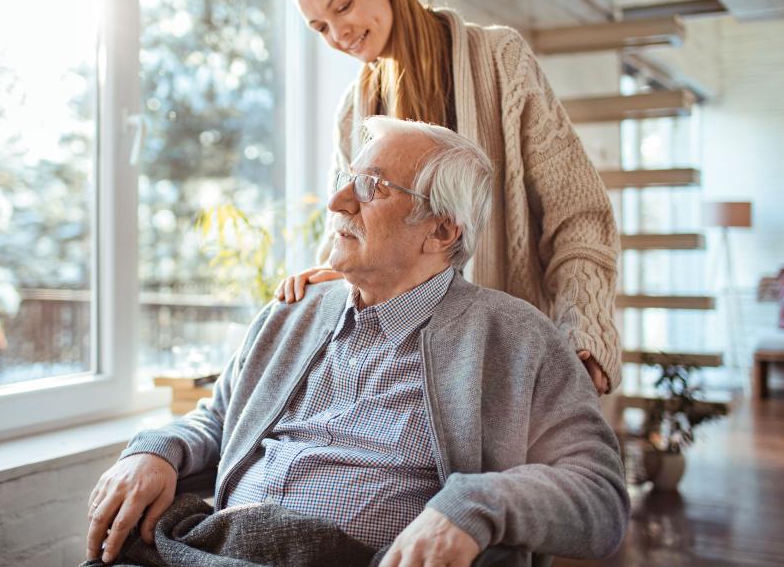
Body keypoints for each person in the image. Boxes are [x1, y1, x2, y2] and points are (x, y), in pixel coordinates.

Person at [86, 118, 629, 566]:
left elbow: (600, 498)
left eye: (373, 187)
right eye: (349, 178)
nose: (338, 201)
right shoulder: (291, 315)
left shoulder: (514, 337)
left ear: (442, 231)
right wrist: (157, 450)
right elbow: (217, 421)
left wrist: (474, 505)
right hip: (215, 550)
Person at [277, 0, 620, 395]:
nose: (340, 33)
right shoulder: (352, 113)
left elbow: (577, 212)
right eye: (320, 27)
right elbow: (355, 229)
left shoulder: (501, 60)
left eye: (345, 5)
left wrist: (583, 334)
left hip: (510, 364)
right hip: (402, 376)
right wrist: (331, 276)